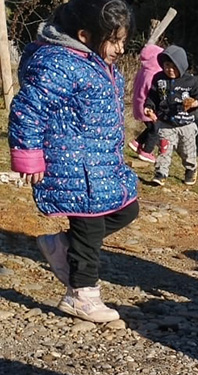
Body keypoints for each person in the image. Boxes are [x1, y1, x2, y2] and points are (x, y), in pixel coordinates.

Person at [8, 0, 138, 323]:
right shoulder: (60, 64)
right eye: (115, 40)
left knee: (127, 208)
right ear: (84, 35)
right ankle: (81, 294)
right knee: (90, 225)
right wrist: (29, 156)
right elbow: (29, 108)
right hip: (72, 165)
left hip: (99, 163)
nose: (121, 49)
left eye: (124, 40)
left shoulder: (96, 61)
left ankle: (61, 244)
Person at [144, 45, 198, 187]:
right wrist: (149, 108)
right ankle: (160, 174)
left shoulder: (192, 81)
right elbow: (152, 96)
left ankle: (191, 168)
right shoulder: (159, 79)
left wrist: (195, 103)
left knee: (187, 151)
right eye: (167, 65)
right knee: (164, 149)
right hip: (166, 123)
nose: (170, 70)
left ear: (182, 65)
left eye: (174, 66)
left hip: (186, 125)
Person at [128, 42, 164, 163]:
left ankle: (137, 142)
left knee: (150, 127)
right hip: (148, 108)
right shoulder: (153, 74)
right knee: (155, 129)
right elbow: (153, 92)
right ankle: (146, 151)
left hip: (139, 104)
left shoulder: (143, 70)